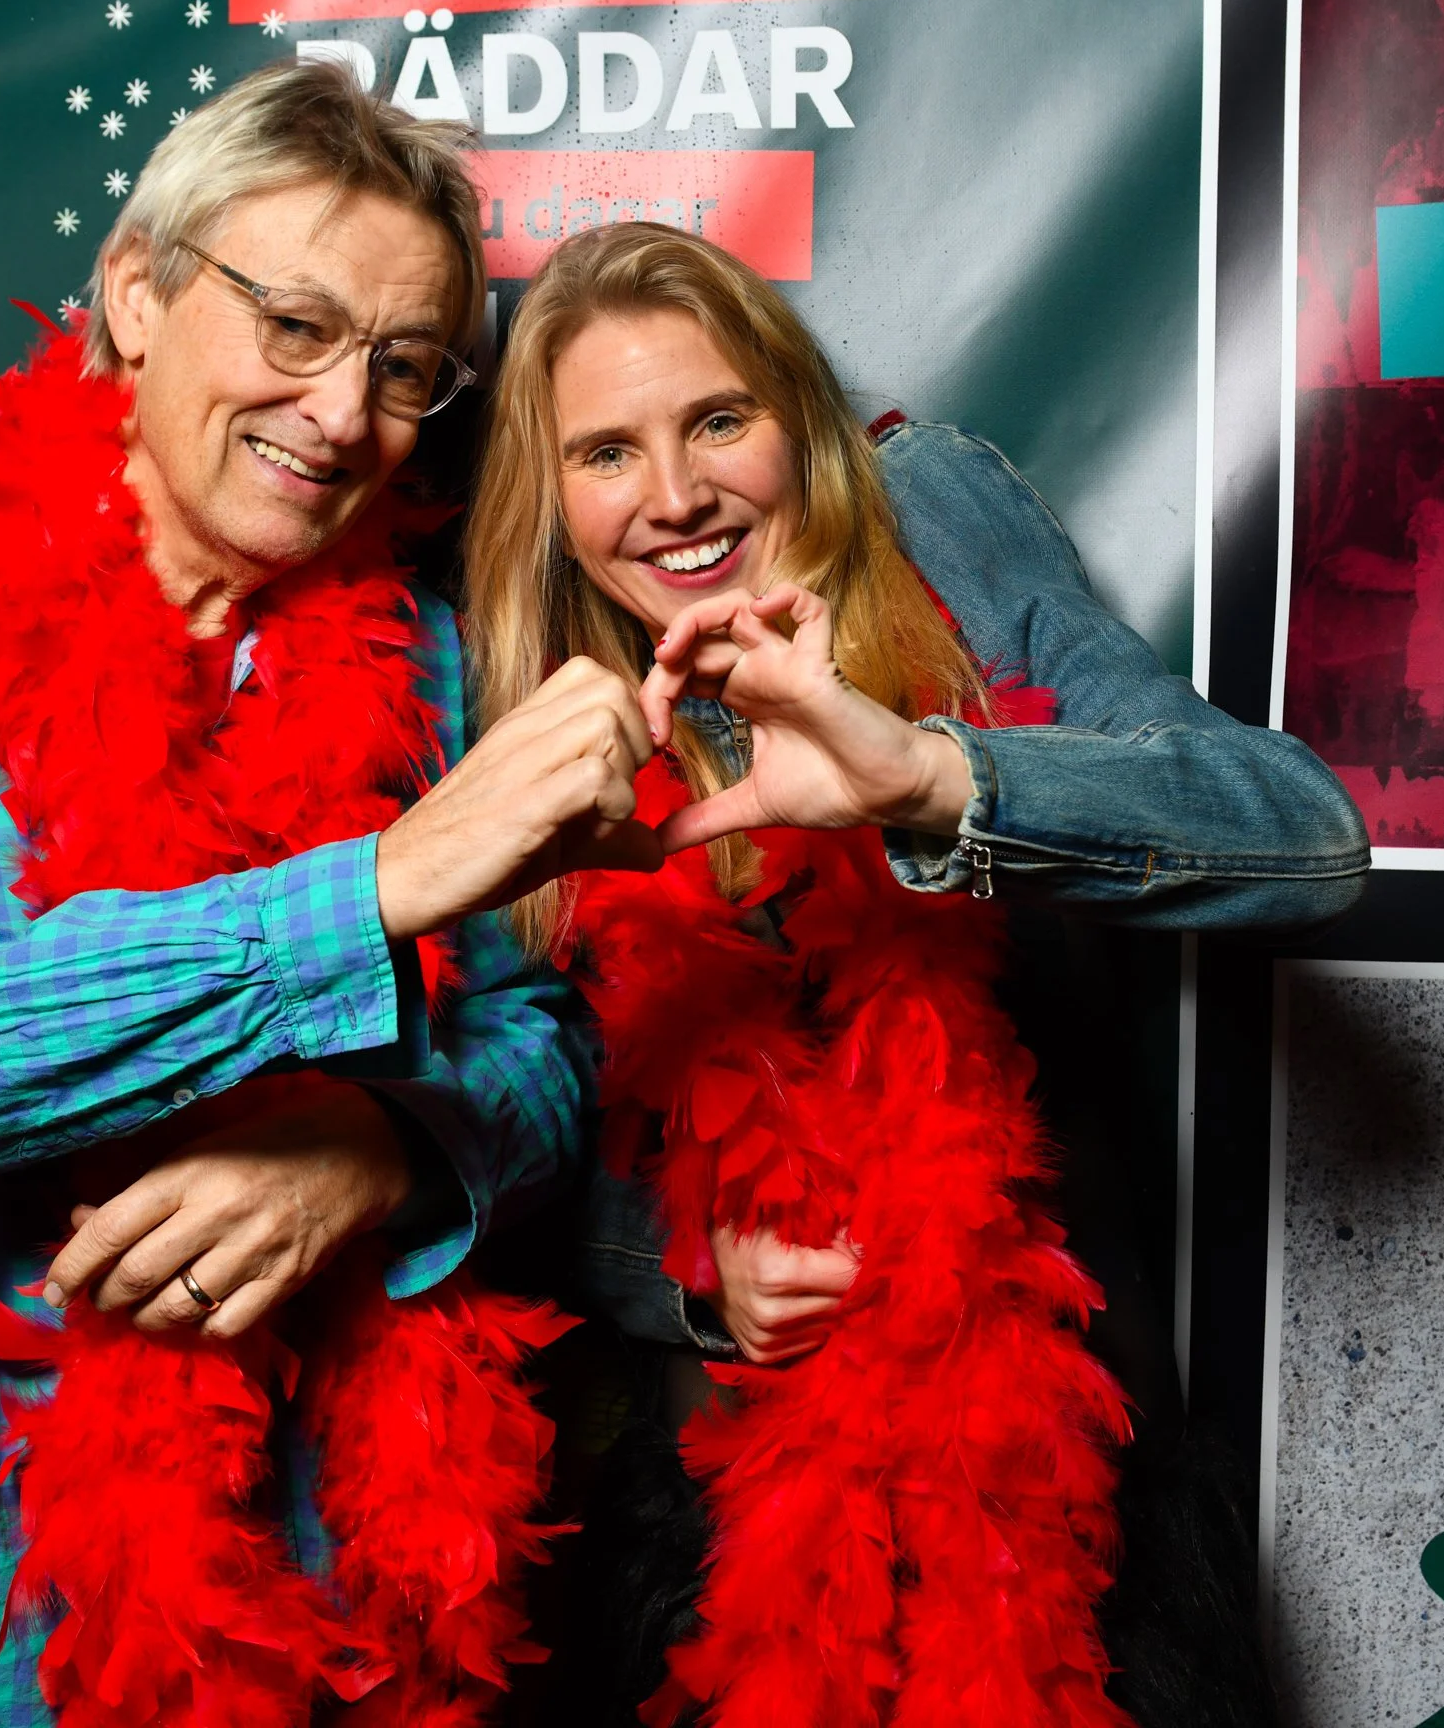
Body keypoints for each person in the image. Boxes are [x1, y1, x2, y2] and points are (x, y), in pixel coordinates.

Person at [0, 62, 664, 1728]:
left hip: (335, 1649)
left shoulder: (431, 658)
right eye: (296, 325)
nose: (342, 415)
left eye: (403, 367)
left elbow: (547, 1046)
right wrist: (365, 895)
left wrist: (389, 1153)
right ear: (136, 295)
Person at [460, 223, 1370, 1726]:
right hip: (720, 1563)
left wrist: (934, 785)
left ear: (800, 427)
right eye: (607, 453)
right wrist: (685, 1280)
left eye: (719, 422)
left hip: (1057, 1529)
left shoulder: (932, 523)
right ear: (549, 504)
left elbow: (1304, 841)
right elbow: (499, 1133)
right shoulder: (517, 697)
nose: (675, 497)